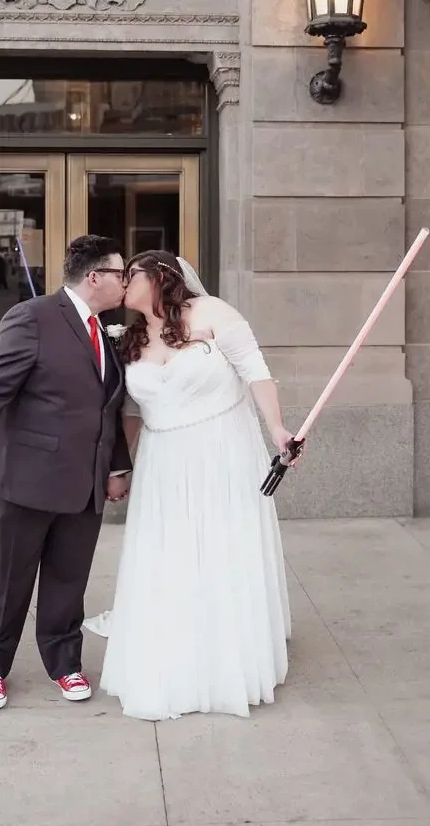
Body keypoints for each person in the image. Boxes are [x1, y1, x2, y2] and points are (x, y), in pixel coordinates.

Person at [85, 250, 300, 721]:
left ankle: (228, 657)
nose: (122, 283)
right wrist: (120, 468)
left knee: (221, 548)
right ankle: (175, 651)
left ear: (160, 276)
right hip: (164, 462)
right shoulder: (133, 337)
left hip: (220, 451)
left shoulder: (213, 313)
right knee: (168, 554)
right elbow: (135, 412)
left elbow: (256, 372)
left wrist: (279, 430)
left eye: (130, 275)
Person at [0, 235, 131, 710]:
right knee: (8, 581)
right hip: (25, 480)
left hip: (83, 483)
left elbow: (107, 409)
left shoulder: (105, 330)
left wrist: (115, 467)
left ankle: (65, 663)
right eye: (119, 273)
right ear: (95, 277)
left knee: (69, 581)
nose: (126, 282)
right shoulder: (33, 318)